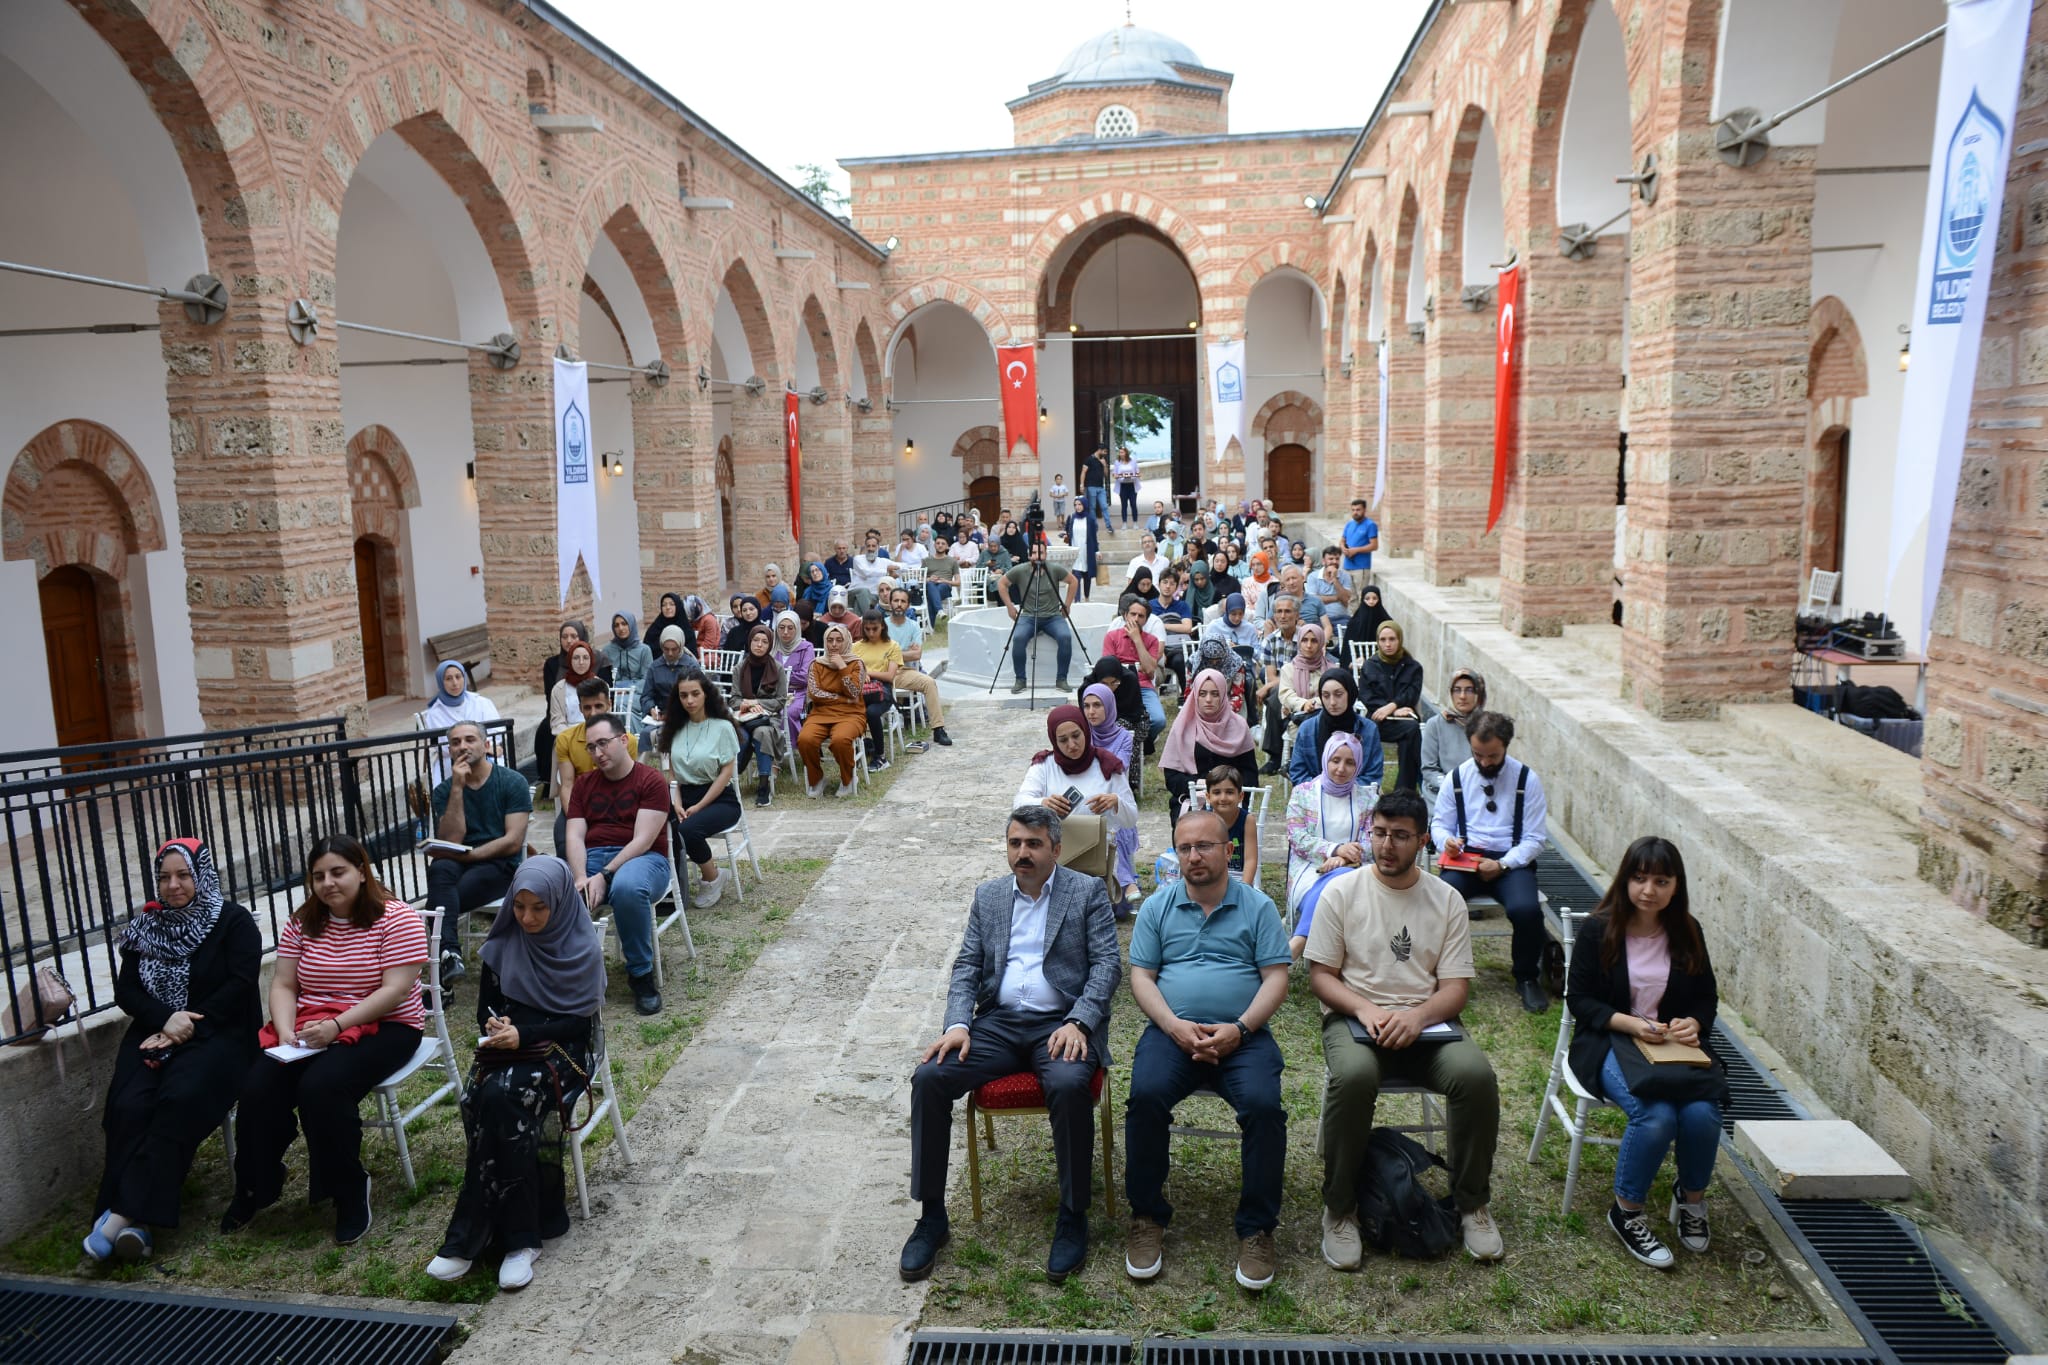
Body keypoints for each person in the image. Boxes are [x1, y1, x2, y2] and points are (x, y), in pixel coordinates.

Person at [901, 807, 1120, 1284]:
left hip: (1059, 1024)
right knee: (930, 1078)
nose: (1023, 853)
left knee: (1067, 1083)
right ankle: (932, 1217)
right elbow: (966, 965)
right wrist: (958, 1022)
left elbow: (1107, 965)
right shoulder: (990, 896)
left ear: (1056, 850)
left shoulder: (1085, 893)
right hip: (998, 1023)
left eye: (1034, 844)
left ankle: (1072, 1215)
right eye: (1015, 843)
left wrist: (1081, 1022)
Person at [1305, 787, 1506, 1269]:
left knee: (1476, 1077)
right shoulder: (1341, 891)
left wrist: (1417, 1017)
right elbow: (1321, 978)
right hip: (1356, 1021)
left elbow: (1456, 989)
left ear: (1422, 842)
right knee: (1354, 1078)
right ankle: (1340, 1208)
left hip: (1428, 1025)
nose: (1386, 845)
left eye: (1400, 836)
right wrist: (1367, 1011)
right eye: (1378, 833)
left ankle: (1471, 1202)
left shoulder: (1446, 899)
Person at [223, 836, 427, 1245]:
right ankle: (256, 1184)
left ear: (362, 871)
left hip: (387, 1025)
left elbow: (395, 991)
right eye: (319, 876)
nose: (328, 883)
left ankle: (349, 1189)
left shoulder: (397, 918)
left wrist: (337, 1027)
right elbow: (283, 983)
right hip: (312, 1026)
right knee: (258, 1086)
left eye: (338, 872)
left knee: (322, 1086)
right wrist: (284, 1031)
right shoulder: (302, 922)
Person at [1124, 808, 1292, 1291]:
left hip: (1244, 1038)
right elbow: (1142, 977)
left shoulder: (1257, 906)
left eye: (1204, 846)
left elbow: (1276, 978)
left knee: (1263, 1107)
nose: (1194, 856)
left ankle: (1258, 1228)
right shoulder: (1158, 906)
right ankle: (1147, 1217)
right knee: (1146, 1098)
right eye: (1184, 848)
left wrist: (1240, 1028)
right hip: (1172, 1034)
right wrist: (1173, 1026)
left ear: (1228, 850)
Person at [422, 856, 601, 1290]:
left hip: (561, 1049)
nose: (527, 917)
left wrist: (526, 1034)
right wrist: (495, 1025)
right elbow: (485, 1005)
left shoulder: (582, 947)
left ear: (558, 902)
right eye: (519, 906)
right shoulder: (507, 938)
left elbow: (578, 1022)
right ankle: (515, 1236)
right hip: (508, 1047)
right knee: (484, 1096)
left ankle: (479, 1239)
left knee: (505, 1098)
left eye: (539, 907)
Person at [87, 839, 260, 1263]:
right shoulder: (147, 926)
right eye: (165, 877)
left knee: (178, 1099)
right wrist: (166, 1019)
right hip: (153, 1030)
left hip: (219, 1034)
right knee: (128, 1105)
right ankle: (139, 1226)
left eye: (184, 875)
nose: (174, 885)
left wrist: (187, 1022)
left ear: (202, 875)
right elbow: (127, 990)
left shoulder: (233, 922)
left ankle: (117, 1216)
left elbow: (239, 985)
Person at [1567, 837, 1723, 1270]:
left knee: (1702, 1114)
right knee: (1656, 1115)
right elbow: (1579, 999)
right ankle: (1627, 1212)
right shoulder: (1601, 929)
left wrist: (1695, 1023)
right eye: (1639, 879)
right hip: (1611, 1040)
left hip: (1672, 1045)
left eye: (1660, 880)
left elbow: (1705, 998)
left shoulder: (1688, 931)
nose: (1648, 890)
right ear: (1625, 880)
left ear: (1676, 886)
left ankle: (1692, 1200)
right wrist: (1632, 1022)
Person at [1431, 711, 1552, 1013]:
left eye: (1493, 756)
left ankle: (1526, 976)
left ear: (1506, 747)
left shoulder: (1527, 779)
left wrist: (1503, 865)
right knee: (1438, 902)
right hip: (1465, 858)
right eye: (1477, 755)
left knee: (1526, 910)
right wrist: (1446, 841)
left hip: (1511, 861)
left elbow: (1535, 838)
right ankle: (1437, 972)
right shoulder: (1456, 777)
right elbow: (1439, 824)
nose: (1485, 762)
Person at [565, 712, 673, 1016]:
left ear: (623, 740)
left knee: (627, 888)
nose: (597, 753)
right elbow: (574, 835)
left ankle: (641, 976)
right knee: (549, 889)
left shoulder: (650, 780)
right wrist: (580, 877)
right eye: (591, 747)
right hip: (592, 858)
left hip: (644, 859)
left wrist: (604, 875)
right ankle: (561, 979)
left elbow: (643, 840)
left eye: (603, 744)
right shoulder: (584, 784)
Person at [425, 721, 532, 981]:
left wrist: (470, 856)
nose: (463, 746)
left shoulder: (511, 781)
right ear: (449, 751)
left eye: (470, 740)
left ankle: (445, 964)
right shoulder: (445, 791)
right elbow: (452, 839)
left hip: (500, 865)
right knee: (440, 868)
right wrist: (458, 788)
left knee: (439, 903)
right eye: (456, 742)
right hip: (458, 862)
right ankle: (450, 954)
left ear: (486, 746)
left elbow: (512, 842)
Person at [1015, 704, 1139, 901]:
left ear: (1085, 731)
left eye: (1076, 736)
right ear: (1054, 741)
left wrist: (1115, 803)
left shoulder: (1107, 765)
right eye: (1063, 740)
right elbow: (1019, 805)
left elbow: (1131, 817)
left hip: (1096, 860)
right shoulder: (1044, 766)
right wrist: (1043, 803)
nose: (1072, 745)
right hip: (1052, 858)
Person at [1285, 733, 1375, 955]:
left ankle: (1298, 943)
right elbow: (1297, 838)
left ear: (1358, 765)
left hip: (1356, 868)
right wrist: (1334, 849)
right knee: (1334, 889)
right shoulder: (1302, 794)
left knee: (1341, 881)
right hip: (1310, 869)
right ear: (1325, 759)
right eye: (1336, 760)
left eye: (1350, 762)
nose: (1341, 768)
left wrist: (1342, 859)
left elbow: (1373, 841)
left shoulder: (1368, 798)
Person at [659, 673, 743, 907]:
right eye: (684, 695)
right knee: (653, 822)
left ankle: (712, 877)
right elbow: (672, 773)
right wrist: (675, 802)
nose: (690, 700)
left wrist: (698, 806)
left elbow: (726, 774)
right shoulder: (675, 728)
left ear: (706, 694)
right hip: (682, 794)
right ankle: (668, 886)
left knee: (687, 830)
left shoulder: (722, 727)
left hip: (718, 799)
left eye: (695, 694)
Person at [556, 677, 639, 852]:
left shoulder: (627, 741)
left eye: (598, 706)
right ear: (580, 708)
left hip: (616, 803)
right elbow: (567, 785)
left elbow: (630, 782)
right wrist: (576, 818)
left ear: (609, 704)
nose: (593, 713)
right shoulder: (565, 739)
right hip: (579, 803)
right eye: (587, 707)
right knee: (564, 841)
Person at [1160, 669, 1259, 816]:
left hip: (1230, 803)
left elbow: (1250, 775)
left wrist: (1226, 791)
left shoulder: (1238, 726)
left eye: (1215, 694)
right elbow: (1172, 778)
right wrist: (1198, 785)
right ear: (1195, 696)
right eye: (1202, 693)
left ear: (1223, 696)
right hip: (1192, 800)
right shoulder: (1183, 727)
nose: (1208, 699)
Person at [1080, 684, 1143, 900]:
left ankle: (1123, 880)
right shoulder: (1081, 734)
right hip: (1088, 794)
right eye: (1086, 706)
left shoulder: (1124, 736)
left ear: (1108, 705)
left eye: (1097, 705)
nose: (1091, 712)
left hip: (1115, 791)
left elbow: (1120, 766)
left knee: (1113, 811)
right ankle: (1123, 882)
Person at [997, 538, 1077, 695]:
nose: (1037, 556)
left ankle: (1061, 679)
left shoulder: (1054, 569)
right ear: (1029, 555)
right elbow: (1002, 583)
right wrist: (1010, 606)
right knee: (1018, 638)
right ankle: (1020, 679)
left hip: (1053, 616)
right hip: (1028, 616)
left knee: (1065, 636)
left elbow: (1073, 581)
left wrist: (1067, 605)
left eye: (1040, 553)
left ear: (1046, 554)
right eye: (1034, 553)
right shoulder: (1020, 570)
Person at [799, 623, 870, 795]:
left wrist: (842, 667)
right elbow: (814, 693)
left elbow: (854, 691)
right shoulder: (817, 664)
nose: (834, 644)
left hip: (851, 715)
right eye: (830, 640)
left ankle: (849, 778)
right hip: (820, 714)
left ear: (846, 642)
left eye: (839, 640)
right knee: (805, 740)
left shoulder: (856, 664)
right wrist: (841, 699)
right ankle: (817, 778)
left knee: (840, 740)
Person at [1287, 667, 1385, 792]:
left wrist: (1343, 793)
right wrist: (1322, 793)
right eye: (1326, 696)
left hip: (1356, 798)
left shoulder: (1368, 729)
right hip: (1316, 798)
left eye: (1338, 695)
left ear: (1350, 693)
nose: (1332, 702)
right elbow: (1298, 772)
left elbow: (1372, 775)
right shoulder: (1307, 729)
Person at [1358, 621, 1425, 791]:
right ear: (1378, 641)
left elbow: (1412, 694)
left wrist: (1392, 706)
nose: (1387, 644)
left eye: (1392, 639)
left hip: (1404, 720)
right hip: (1378, 721)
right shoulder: (1370, 665)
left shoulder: (1413, 667)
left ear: (1400, 639)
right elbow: (1367, 696)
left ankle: (1403, 789)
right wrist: (1393, 708)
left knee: (1410, 732)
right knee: (1409, 732)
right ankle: (1401, 787)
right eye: (1383, 639)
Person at [883, 588, 952, 746]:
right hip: (884, 672)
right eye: (896, 601)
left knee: (929, 682)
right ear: (890, 603)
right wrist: (904, 652)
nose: (899, 604)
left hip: (904, 672)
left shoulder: (914, 626)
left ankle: (938, 729)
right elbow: (881, 654)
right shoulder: (882, 625)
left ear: (908, 605)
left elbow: (917, 655)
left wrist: (893, 652)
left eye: (903, 601)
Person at [731, 623, 789, 806]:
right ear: (749, 642)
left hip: (768, 718)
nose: (759, 645)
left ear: (770, 645)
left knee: (762, 733)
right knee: (742, 737)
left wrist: (757, 703)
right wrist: (746, 705)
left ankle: (764, 786)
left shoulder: (777, 668)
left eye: (764, 642)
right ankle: (730, 781)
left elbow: (780, 700)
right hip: (743, 719)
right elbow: (733, 700)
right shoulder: (740, 668)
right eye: (756, 640)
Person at [420, 659, 502, 785]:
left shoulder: (481, 702)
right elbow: (443, 747)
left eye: (458, 677)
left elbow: (497, 732)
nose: (455, 683)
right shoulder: (434, 713)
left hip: (486, 756)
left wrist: (485, 750)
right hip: (452, 763)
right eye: (448, 679)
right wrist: (479, 749)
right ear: (441, 682)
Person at [1420, 667, 1488, 806]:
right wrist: (1452, 786)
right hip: (1441, 795)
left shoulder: (1487, 725)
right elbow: (1429, 769)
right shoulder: (1436, 724)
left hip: (1477, 794)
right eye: (1457, 690)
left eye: (1469, 690)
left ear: (1479, 694)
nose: (1462, 696)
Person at [1101, 595, 1168, 732]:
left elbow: (1149, 671)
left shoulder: (1152, 640)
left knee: (1158, 720)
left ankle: (1143, 742)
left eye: (1141, 616)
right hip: (1117, 686)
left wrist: (1137, 639)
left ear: (1146, 620)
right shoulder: (1112, 636)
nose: (1136, 619)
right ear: (1125, 615)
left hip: (1143, 687)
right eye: (1133, 614)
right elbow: (1108, 669)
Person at [1253, 595, 1304, 775]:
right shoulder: (1270, 641)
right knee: (1277, 694)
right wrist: (1270, 685)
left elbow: (1305, 672)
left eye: (1287, 611)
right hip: (1281, 686)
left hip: (1305, 685)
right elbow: (1271, 675)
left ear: (1296, 615)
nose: (1282, 616)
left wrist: (1266, 687)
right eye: (1278, 612)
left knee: (1274, 696)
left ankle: (1276, 757)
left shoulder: (1306, 638)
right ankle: (1282, 754)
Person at [851, 611, 905, 772]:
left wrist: (868, 673)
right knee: (852, 708)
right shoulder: (856, 647)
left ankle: (880, 756)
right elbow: (851, 670)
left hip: (883, 690)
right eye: (867, 629)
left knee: (872, 712)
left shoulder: (892, 646)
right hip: (862, 689)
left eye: (875, 628)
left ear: (882, 626)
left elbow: (889, 676)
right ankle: (857, 748)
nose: (871, 633)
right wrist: (861, 675)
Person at [636, 626, 696, 755]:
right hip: (660, 716)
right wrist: (651, 709)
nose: (670, 653)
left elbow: (699, 695)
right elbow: (646, 696)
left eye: (674, 649)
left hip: (685, 715)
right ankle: (643, 770)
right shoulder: (655, 667)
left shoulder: (691, 665)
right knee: (646, 734)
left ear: (681, 647)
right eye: (666, 649)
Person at [1200, 765, 1259, 886]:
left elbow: (1251, 860)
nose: (1223, 798)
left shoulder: (1248, 820)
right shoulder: (1204, 821)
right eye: (1217, 792)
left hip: (1240, 878)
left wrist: (1244, 889)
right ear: (1208, 797)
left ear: (1240, 796)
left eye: (1229, 792)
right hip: (1211, 877)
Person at [771, 610, 815, 754]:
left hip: (798, 694)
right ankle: (767, 752)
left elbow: (804, 677)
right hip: (773, 693)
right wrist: (787, 676)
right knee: (763, 714)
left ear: (797, 629)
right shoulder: (772, 647)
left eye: (790, 628)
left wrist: (778, 676)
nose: (785, 632)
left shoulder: (806, 647)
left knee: (787, 713)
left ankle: (792, 747)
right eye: (781, 627)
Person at [548, 639, 602, 744]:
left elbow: (605, 717)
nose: (581, 662)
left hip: (596, 736)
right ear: (569, 660)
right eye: (576, 658)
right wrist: (575, 736)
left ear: (591, 660)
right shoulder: (559, 689)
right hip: (568, 737)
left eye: (585, 658)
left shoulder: (600, 685)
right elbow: (557, 723)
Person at [602, 612, 652, 716]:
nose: (620, 628)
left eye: (624, 624)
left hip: (637, 694)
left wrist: (628, 690)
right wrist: (615, 690)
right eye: (616, 625)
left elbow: (647, 679)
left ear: (631, 625)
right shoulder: (607, 650)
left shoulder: (644, 650)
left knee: (620, 706)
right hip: (613, 693)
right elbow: (604, 679)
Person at [1342, 584, 1394, 667]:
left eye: (1374, 598)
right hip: (1358, 660)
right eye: (1367, 598)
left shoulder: (1385, 620)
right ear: (1363, 599)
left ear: (1379, 599)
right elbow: (1348, 648)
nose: (1371, 601)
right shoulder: (1355, 622)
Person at [1306, 546, 1354, 633]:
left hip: (1341, 618)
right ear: (1323, 561)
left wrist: (1335, 579)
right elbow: (1313, 600)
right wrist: (1336, 598)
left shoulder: (1345, 576)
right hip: (1319, 619)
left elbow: (1346, 599)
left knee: (1349, 634)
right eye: (1331, 559)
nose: (1334, 562)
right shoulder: (1313, 576)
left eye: (1337, 559)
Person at [1341, 497, 1380, 590]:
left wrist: (1356, 550)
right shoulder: (1349, 524)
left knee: (1361, 596)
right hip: (1347, 565)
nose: (1355, 512)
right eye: (1353, 510)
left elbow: (1374, 545)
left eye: (1358, 510)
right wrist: (1343, 548)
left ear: (1364, 510)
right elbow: (1342, 540)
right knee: (1350, 598)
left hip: (1361, 567)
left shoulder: (1370, 525)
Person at [850, 528, 890, 612]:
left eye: (873, 546)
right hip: (854, 593)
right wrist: (885, 570)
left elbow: (903, 566)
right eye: (868, 546)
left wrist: (897, 569)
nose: (871, 548)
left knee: (860, 601)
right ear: (865, 547)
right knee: (863, 592)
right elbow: (866, 572)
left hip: (873, 596)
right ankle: (871, 619)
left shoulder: (882, 561)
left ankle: (860, 623)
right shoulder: (858, 559)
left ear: (878, 547)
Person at [924, 535, 960, 621]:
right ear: (934, 545)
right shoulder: (926, 560)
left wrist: (946, 581)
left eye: (943, 544)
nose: (940, 545)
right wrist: (929, 579)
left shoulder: (952, 561)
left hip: (945, 587)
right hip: (930, 586)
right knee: (930, 585)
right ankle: (939, 611)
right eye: (938, 543)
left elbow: (958, 582)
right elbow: (920, 580)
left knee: (934, 593)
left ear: (947, 546)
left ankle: (930, 627)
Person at [1080, 445, 1111, 527]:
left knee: (1104, 506)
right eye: (1104, 451)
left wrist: (1104, 465)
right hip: (1091, 487)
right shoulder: (1089, 459)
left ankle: (1108, 526)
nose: (1105, 453)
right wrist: (1081, 485)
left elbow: (1106, 475)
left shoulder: (1103, 460)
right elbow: (1083, 472)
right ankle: (1094, 526)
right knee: (1092, 507)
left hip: (1101, 487)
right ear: (1099, 450)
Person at [1112, 446, 1141, 526]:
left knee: (1133, 504)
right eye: (1120, 452)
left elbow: (1138, 473)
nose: (1121, 454)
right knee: (1124, 505)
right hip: (1122, 486)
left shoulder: (1133, 461)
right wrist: (1117, 476)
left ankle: (1135, 522)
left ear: (1126, 453)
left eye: (1122, 452)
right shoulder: (1117, 462)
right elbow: (1114, 473)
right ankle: (1124, 523)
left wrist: (1132, 475)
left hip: (1132, 485)